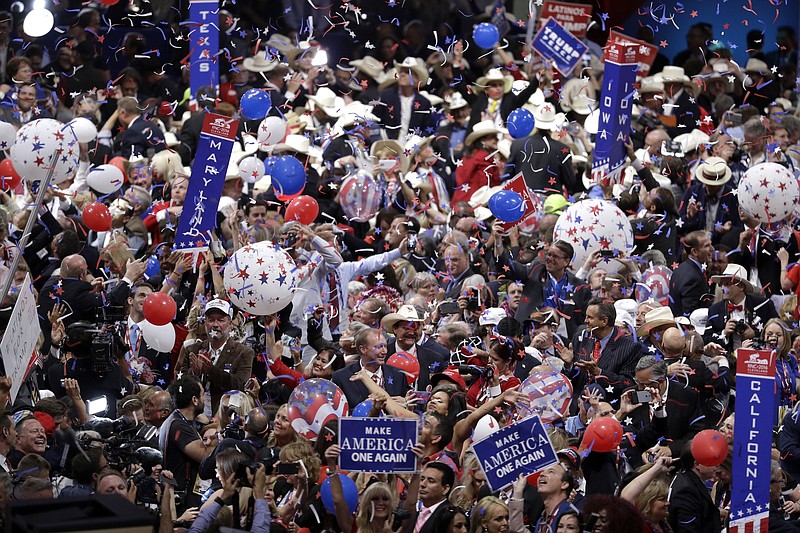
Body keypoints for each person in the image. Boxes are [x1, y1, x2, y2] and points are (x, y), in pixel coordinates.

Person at [177, 299, 255, 415]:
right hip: (194, 415)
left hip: (224, 415)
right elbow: (179, 385)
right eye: (211, 320)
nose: (215, 325)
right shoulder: (192, 350)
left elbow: (241, 384)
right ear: (205, 323)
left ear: (230, 323)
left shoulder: (243, 352)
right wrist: (194, 373)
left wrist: (211, 371)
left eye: (220, 320)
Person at [159, 375, 212, 512]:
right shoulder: (179, 426)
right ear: (194, 400)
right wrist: (218, 434)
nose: (204, 400)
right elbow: (205, 456)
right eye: (202, 395)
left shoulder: (176, 420)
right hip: (182, 501)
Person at [331, 327, 409, 409]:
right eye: (379, 347)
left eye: (385, 346)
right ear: (363, 349)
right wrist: (365, 407)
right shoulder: (342, 377)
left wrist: (405, 403)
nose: (384, 352)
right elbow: (340, 413)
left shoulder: (398, 375)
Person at [667, 441, 721, 533]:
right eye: (711, 460)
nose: (716, 464)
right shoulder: (686, 491)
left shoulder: (685, 478)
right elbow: (688, 530)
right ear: (697, 465)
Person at [668, 231, 713, 317]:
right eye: (707, 246)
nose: (712, 249)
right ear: (694, 252)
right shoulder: (692, 278)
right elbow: (690, 314)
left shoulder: (680, 269)